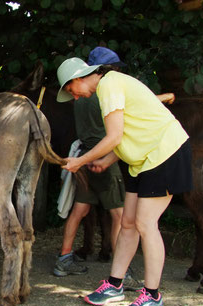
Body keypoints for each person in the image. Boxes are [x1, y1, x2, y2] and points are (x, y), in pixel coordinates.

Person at [56, 54, 192, 306]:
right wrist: (106, 161)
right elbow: (126, 133)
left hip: (164, 153)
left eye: (72, 91)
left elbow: (114, 135)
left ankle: (153, 296)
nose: (75, 97)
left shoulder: (109, 85)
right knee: (127, 222)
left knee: (144, 223)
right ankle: (115, 284)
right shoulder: (107, 88)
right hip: (140, 160)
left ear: (79, 78)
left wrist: (81, 160)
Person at [54, 47, 126, 277]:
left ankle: (64, 257)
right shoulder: (101, 94)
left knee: (79, 210)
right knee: (119, 215)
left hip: (83, 156)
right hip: (103, 157)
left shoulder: (79, 98)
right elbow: (116, 130)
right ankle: (121, 269)